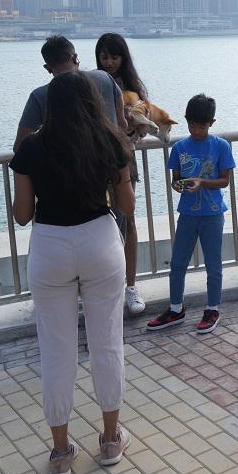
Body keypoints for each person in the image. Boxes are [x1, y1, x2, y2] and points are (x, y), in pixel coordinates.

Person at [9, 72, 133, 474]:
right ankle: (111, 439)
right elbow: (126, 204)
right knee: (107, 343)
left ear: (50, 105)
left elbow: (23, 215)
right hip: (99, 241)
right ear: (91, 101)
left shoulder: (31, 148)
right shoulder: (110, 141)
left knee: (56, 351)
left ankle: (61, 452)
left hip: (50, 248)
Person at [146, 94, 233, 334]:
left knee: (213, 263)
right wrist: (181, 186)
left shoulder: (221, 146)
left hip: (213, 214)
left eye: (201, 125)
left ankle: (212, 308)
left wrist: (202, 182)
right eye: (191, 124)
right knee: (178, 263)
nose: (195, 129)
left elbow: (225, 180)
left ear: (211, 123)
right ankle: (176, 309)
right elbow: (175, 181)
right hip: (187, 213)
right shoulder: (180, 147)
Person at [95, 33, 152, 314]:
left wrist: (133, 132)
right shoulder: (91, 83)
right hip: (93, 164)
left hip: (124, 163)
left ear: (124, 58)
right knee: (95, 224)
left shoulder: (132, 88)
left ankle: (130, 287)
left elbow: (144, 126)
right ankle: (104, 288)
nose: (109, 62)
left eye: (114, 56)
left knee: (126, 221)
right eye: (104, 56)